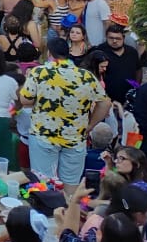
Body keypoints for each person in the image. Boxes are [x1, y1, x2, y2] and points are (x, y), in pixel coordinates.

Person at [20, 36, 110, 185]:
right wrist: (90, 126)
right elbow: (105, 103)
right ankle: (69, 208)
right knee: (71, 186)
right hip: (75, 138)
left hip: (44, 136)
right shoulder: (86, 76)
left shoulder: (39, 72)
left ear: (50, 53)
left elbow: (26, 100)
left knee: (44, 185)